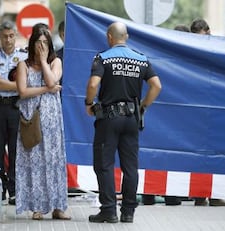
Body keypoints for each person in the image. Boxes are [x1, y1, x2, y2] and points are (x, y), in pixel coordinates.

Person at [85, 22, 162, 223]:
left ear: (110, 37)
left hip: (109, 119)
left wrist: (89, 103)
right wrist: (143, 106)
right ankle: (128, 212)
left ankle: (109, 210)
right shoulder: (141, 59)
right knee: (130, 167)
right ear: (125, 36)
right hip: (131, 119)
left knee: (104, 165)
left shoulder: (102, 58)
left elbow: (94, 83)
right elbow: (156, 85)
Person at [15, 23, 71, 220]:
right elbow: (23, 91)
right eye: (38, 42)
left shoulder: (56, 62)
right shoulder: (23, 65)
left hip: (52, 119)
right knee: (34, 161)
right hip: (31, 118)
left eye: (45, 42)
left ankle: (58, 206)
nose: (42, 46)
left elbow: (51, 80)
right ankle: (37, 206)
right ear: (32, 44)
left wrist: (43, 61)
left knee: (54, 160)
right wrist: (48, 89)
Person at [0, 21, 28, 205]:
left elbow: (30, 81)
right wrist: (20, 86)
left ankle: (15, 190)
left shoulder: (24, 56)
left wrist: (17, 87)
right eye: (4, 36)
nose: (8, 40)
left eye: (11, 36)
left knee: (17, 150)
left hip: (17, 108)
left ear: (15, 35)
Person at [189, 18, 225, 207]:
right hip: (200, 107)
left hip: (215, 106)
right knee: (199, 154)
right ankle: (200, 195)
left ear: (208, 31)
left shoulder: (218, 47)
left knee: (215, 153)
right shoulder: (192, 48)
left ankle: (213, 195)